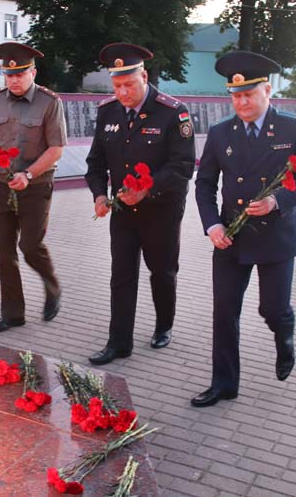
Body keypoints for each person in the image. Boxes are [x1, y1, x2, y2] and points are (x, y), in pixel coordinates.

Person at [192, 51, 296, 407]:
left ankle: (285, 335)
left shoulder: (292, 127)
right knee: (224, 312)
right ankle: (224, 384)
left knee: (272, 309)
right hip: (231, 238)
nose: (242, 101)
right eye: (235, 96)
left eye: (249, 94)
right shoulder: (220, 133)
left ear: (267, 91)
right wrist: (212, 224)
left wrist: (277, 201)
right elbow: (204, 185)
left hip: (275, 235)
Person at [85, 43, 196, 365]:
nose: (122, 92)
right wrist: (99, 194)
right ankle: (119, 342)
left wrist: (148, 191)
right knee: (121, 274)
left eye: (129, 85)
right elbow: (95, 162)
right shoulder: (108, 111)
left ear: (144, 76)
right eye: (116, 86)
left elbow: (183, 166)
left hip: (161, 209)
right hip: (123, 210)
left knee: (161, 271)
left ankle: (164, 325)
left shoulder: (173, 112)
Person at [0, 42, 66, 334]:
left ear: (32, 72)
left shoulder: (49, 102)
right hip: (3, 186)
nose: (14, 79)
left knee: (29, 246)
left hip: (36, 186)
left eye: (20, 73)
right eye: (8, 74)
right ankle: (13, 314)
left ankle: (52, 286)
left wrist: (28, 174)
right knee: (4, 253)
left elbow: (56, 150)